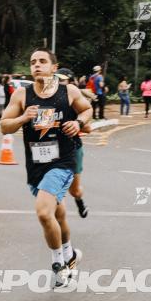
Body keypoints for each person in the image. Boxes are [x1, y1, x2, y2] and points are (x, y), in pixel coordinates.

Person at [1, 49, 93, 288]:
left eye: (42, 61)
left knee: (43, 213)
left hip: (62, 162)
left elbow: (87, 109)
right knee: (58, 215)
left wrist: (79, 122)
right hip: (36, 166)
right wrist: (23, 118)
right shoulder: (22, 95)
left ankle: (58, 263)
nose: (37, 65)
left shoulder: (69, 91)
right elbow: (4, 126)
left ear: (54, 67)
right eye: (33, 62)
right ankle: (70, 254)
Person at [57, 68, 90, 219]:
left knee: (74, 190)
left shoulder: (75, 99)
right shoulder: (47, 98)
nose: (58, 83)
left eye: (62, 80)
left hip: (72, 148)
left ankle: (79, 201)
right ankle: (57, 224)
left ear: (70, 83)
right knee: (55, 189)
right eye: (56, 79)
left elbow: (88, 126)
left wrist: (78, 124)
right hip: (52, 149)